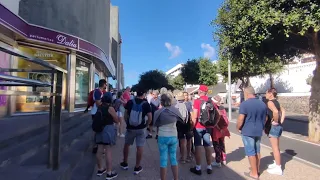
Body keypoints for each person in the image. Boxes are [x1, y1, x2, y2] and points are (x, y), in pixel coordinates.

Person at [236, 86, 267, 179]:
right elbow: (265, 118)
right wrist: (262, 126)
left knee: (250, 152)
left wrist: (238, 127)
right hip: (258, 130)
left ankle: (254, 173)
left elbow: (241, 119)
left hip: (248, 130)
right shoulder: (262, 104)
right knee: (257, 150)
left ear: (246, 93)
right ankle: (256, 169)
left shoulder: (244, 104)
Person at [120, 89, 152, 175]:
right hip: (141, 128)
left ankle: (125, 163)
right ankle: (137, 167)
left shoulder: (130, 102)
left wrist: (127, 122)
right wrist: (146, 125)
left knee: (127, 145)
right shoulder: (146, 104)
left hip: (130, 128)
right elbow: (150, 117)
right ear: (144, 94)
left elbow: (126, 114)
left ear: (136, 94)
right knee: (140, 147)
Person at [153, 93, 182, 180]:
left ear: (161, 101)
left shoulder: (158, 112)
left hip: (162, 136)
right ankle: (176, 179)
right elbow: (181, 120)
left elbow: (155, 124)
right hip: (173, 136)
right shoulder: (175, 110)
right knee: (173, 158)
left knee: (163, 160)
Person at [190, 85, 214, 175]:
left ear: (200, 91)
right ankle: (209, 166)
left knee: (198, 146)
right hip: (208, 127)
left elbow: (195, 116)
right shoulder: (211, 101)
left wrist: (192, 126)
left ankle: (198, 167)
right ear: (206, 92)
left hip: (198, 127)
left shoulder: (197, 101)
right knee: (208, 146)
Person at [95, 92, 119, 179]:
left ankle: (100, 169)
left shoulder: (99, 107)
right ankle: (109, 173)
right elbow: (116, 120)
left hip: (99, 130)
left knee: (100, 149)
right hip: (107, 130)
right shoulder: (110, 108)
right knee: (108, 150)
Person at [265, 88, 285, 175]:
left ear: (270, 94)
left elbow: (276, 112)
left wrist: (276, 121)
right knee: (276, 146)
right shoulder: (276, 101)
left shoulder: (269, 102)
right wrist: (281, 121)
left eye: (266, 93)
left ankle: (278, 168)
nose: (265, 95)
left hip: (274, 127)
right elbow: (283, 110)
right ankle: (276, 163)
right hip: (278, 126)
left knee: (275, 148)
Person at [211, 95, 230, 167]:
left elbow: (215, 120)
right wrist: (223, 128)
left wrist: (218, 128)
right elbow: (226, 120)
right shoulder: (222, 108)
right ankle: (224, 159)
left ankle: (218, 161)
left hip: (217, 129)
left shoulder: (215, 108)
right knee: (222, 143)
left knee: (216, 144)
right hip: (224, 129)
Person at [174, 92, 193, 164]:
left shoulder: (175, 106)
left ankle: (183, 158)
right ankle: (189, 155)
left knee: (182, 141)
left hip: (179, 125)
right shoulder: (188, 104)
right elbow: (191, 114)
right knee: (189, 140)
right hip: (187, 124)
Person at [90, 79, 107, 154]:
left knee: (98, 130)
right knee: (98, 130)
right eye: (106, 84)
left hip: (98, 113)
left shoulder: (100, 91)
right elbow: (98, 103)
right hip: (96, 113)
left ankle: (96, 146)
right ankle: (96, 146)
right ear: (103, 85)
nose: (106, 86)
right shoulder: (97, 91)